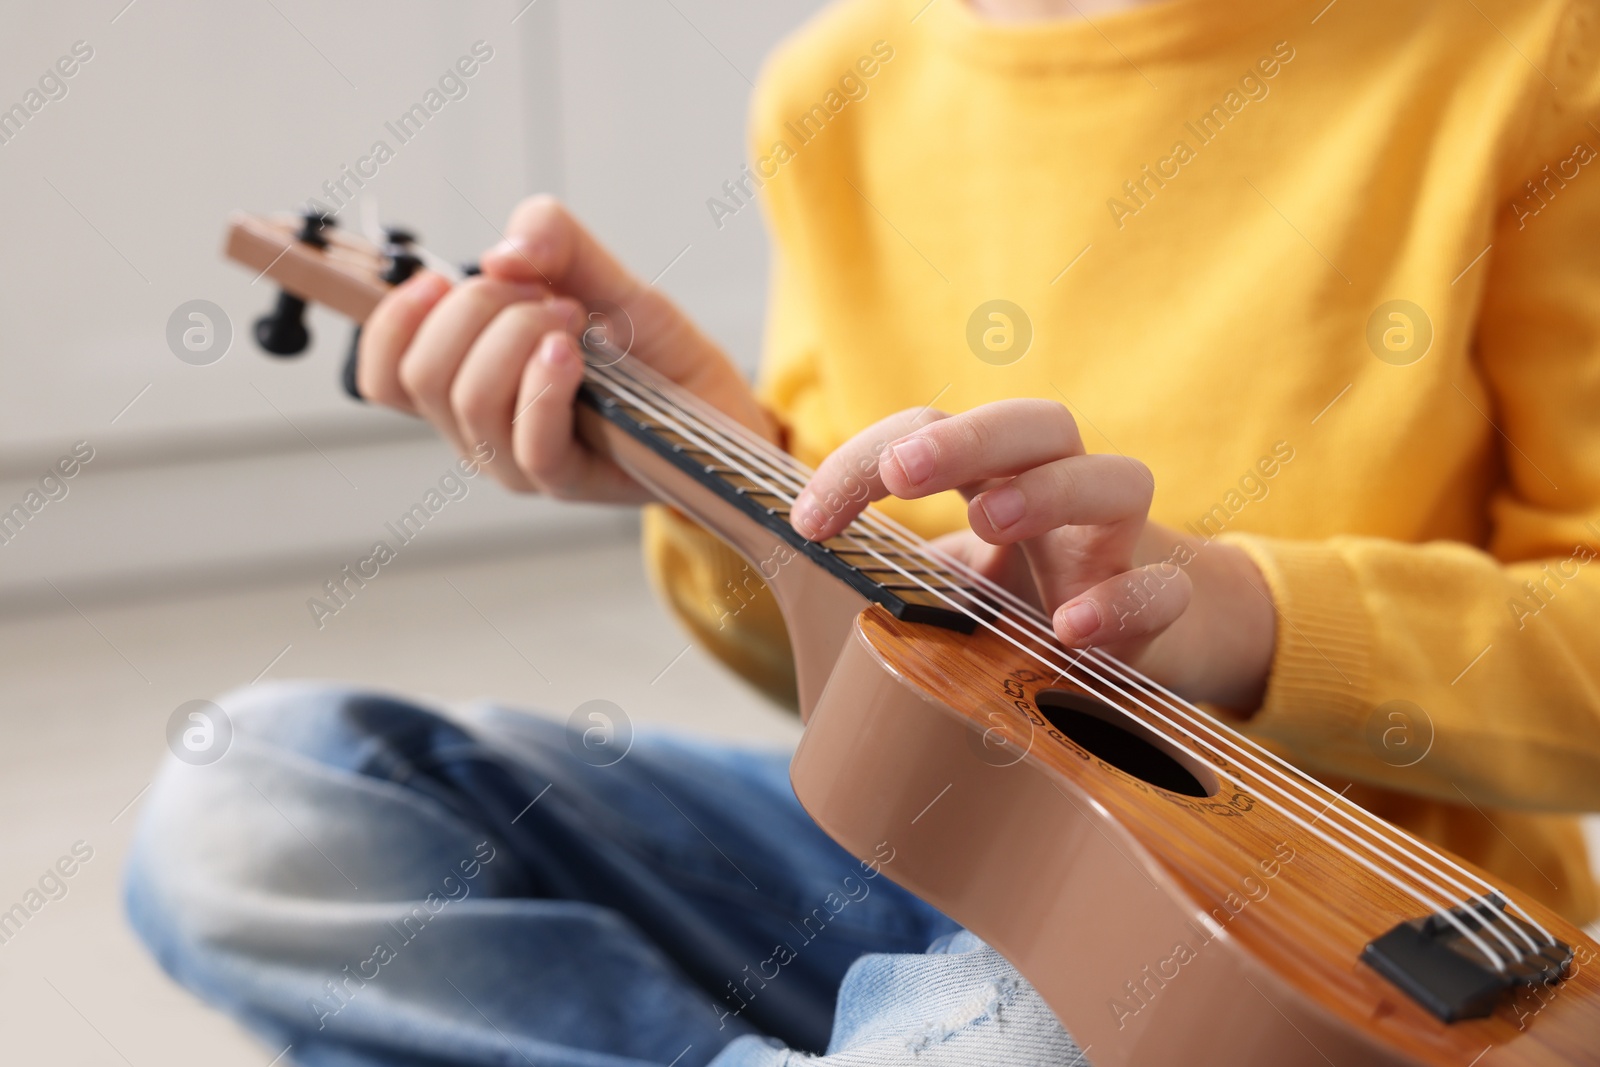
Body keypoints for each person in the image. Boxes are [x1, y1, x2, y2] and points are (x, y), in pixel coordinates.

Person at [126, 0, 1600, 1063]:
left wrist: (1237, 614)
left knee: (1015, 1036)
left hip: (1330, 949)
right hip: (920, 856)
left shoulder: (1530, 51)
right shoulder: (837, 83)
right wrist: (717, 468)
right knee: (257, 802)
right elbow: (862, 696)